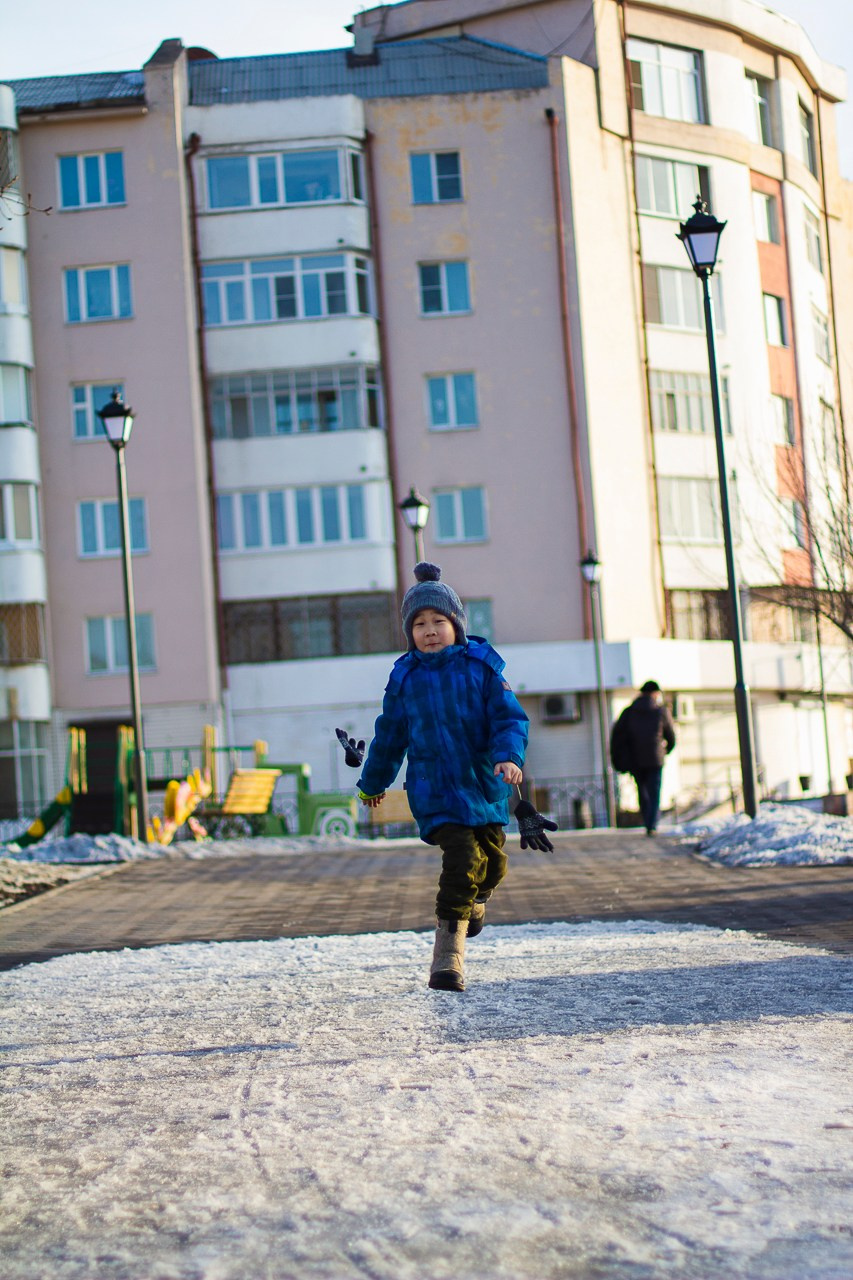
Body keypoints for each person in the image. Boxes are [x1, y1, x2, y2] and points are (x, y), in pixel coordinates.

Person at [355, 562, 529, 992]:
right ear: (408, 631)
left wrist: (509, 757)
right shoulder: (405, 678)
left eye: (438, 621)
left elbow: (509, 719)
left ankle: (478, 899)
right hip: (434, 791)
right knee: (462, 860)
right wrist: (374, 781)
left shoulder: (482, 668)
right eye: (419, 623)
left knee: (493, 865)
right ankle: (447, 959)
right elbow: (389, 735)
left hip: (483, 787)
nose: (429, 630)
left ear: (457, 625)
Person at [610, 680, 676, 836]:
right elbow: (671, 736)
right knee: (654, 792)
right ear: (655, 693)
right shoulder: (661, 711)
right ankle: (652, 824)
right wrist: (665, 750)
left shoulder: (629, 711)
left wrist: (621, 758)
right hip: (655, 759)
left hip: (635, 759)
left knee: (643, 791)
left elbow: (618, 736)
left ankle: (647, 821)